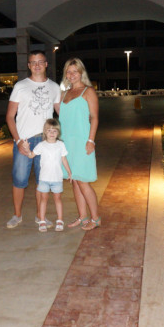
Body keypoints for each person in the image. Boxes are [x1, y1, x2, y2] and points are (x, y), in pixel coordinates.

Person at [5, 51, 61, 229]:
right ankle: (17, 215)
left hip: (46, 142)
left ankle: (40, 216)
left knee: (42, 181)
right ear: (29, 65)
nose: (37, 65)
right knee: (19, 180)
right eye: (33, 62)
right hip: (25, 141)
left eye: (40, 62)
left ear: (46, 64)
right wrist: (18, 141)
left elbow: (62, 114)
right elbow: (9, 117)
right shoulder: (20, 86)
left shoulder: (54, 87)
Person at [59, 58, 101, 230]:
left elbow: (94, 118)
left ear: (81, 72)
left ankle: (96, 218)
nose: (71, 74)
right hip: (67, 143)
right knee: (74, 180)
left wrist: (91, 140)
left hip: (83, 141)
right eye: (68, 71)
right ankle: (83, 217)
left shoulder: (88, 91)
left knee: (83, 181)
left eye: (75, 71)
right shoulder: (64, 94)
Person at [25, 118, 72, 232]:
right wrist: (27, 149)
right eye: (49, 130)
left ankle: (60, 220)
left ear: (58, 133)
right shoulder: (41, 145)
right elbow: (31, 155)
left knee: (58, 199)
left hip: (57, 178)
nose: (52, 133)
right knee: (43, 199)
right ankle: (42, 221)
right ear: (45, 132)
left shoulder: (61, 145)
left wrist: (69, 172)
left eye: (54, 131)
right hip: (44, 179)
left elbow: (64, 159)